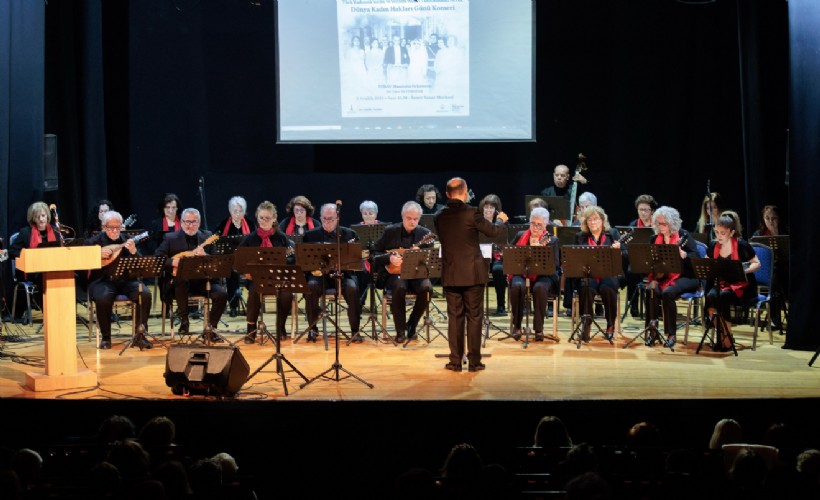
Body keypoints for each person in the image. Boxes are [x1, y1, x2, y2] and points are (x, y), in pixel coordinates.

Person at [435, 177, 502, 372]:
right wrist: (501, 220)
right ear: (465, 192)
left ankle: (455, 361)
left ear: (447, 195)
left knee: (455, 318)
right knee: (474, 317)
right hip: (472, 274)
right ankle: (474, 362)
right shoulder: (473, 213)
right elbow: (494, 231)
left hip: (451, 273)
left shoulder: (439, 216)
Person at [155, 208, 228, 340]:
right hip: (179, 283)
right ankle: (184, 322)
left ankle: (210, 329)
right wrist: (173, 262)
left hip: (203, 280)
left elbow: (218, 261)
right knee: (181, 281)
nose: (190, 225)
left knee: (221, 294)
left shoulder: (207, 237)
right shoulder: (170, 238)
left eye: (194, 222)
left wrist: (206, 255)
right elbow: (158, 259)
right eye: (187, 222)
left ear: (199, 222)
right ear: (181, 222)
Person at [85, 211, 153, 350]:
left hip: (127, 281)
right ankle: (106, 338)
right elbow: (82, 262)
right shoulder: (93, 242)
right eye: (111, 227)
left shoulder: (128, 240)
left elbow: (141, 265)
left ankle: (140, 335)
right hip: (103, 281)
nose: (115, 230)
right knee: (103, 298)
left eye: (118, 227)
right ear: (104, 227)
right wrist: (95, 255)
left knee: (145, 294)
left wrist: (134, 252)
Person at [372, 201, 433, 343]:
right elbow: (374, 253)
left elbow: (431, 260)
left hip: (416, 274)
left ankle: (412, 324)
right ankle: (400, 330)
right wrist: (390, 258)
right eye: (409, 218)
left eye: (416, 219)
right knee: (399, 286)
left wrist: (421, 255)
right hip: (395, 274)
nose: (412, 222)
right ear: (402, 216)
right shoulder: (390, 231)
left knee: (427, 288)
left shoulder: (425, 234)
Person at [302, 203, 363, 343]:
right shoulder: (310, 235)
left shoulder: (350, 234)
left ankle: (355, 330)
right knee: (310, 287)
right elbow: (304, 262)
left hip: (342, 275)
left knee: (352, 288)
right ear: (320, 218)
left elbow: (356, 261)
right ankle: (313, 328)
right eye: (324, 219)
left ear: (337, 218)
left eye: (331, 219)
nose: (327, 222)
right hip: (319, 276)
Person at [237, 201, 294, 343]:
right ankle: (251, 329)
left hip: (277, 278)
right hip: (257, 279)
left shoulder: (281, 238)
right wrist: (247, 272)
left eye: (267, 218)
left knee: (287, 293)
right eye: (261, 218)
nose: (264, 221)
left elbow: (292, 257)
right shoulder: (250, 238)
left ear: (274, 218)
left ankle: (280, 326)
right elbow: (238, 261)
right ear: (257, 218)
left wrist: (283, 263)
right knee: (255, 291)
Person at [642, 206, 700, 348]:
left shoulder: (683, 236)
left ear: (672, 222)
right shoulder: (655, 238)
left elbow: (696, 258)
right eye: (658, 223)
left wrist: (685, 256)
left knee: (668, 292)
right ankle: (653, 331)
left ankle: (671, 334)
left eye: (664, 224)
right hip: (663, 276)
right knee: (651, 289)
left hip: (686, 276)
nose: (661, 227)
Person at [705, 214, 760, 351]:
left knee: (723, 297)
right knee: (711, 297)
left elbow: (757, 264)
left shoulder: (741, 245)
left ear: (732, 232)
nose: (719, 236)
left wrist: (743, 271)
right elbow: (707, 261)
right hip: (721, 284)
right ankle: (726, 335)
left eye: (722, 233)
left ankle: (726, 339)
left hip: (742, 285)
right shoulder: (713, 245)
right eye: (716, 232)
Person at [508, 207, 560, 342]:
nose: (535, 227)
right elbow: (509, 254)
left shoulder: (551, 240)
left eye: (539, 225)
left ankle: (538, 329)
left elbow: (555, 264)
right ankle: (517, 326)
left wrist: (540, 253)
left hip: (544, 275)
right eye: (532, 223)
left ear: (546, 224)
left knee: (540, 288)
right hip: (522, 272)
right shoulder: (521, 235)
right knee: (517, 286)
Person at [573, 205, 622, 341]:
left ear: (602, 220)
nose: (593, 222)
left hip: (608, 273)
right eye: (589, 220)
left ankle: (610, 324)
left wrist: (618, 250)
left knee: (608, 288)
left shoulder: (612, 234)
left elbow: (625, 255)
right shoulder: (580, 236)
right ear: (585, 222)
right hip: (589, 274)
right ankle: (586, 324)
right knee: (585, 288)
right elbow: (574, 258)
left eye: (596, 219)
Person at [7, 202, 61, 319]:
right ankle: (49, 313)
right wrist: (29, 254)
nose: (41, 219)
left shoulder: (56, 232)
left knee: (68, 275)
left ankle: (62, 310)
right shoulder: (25, 233)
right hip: (33, 272)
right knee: (44, 276)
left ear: (47, 216)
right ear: (33, 219)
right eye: (38, 217)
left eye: (43, 215)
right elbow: (12, 252)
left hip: (53, 268)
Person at [213, 196, 255, 317]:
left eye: (240, 211)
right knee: (232, 272)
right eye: (234, 211)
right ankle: (233, 306)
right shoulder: (223, 224)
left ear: (244, 211)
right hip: (229, 260)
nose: (237, 214)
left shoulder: (251, 224)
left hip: (247, 259)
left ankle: (252, 305)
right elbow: (214, 241)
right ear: (230, 211)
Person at [478, 194, 509, 316]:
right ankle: (476, 305)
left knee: (498, 270)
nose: (489, 210)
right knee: (475, 269)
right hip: (480, 256)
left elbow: (504, 245)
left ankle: (501, 305)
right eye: (486, 207)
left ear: (496, 210)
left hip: (496, 257)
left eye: (492, 208)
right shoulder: (477, 223)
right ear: (482, 208)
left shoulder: (501, 225)